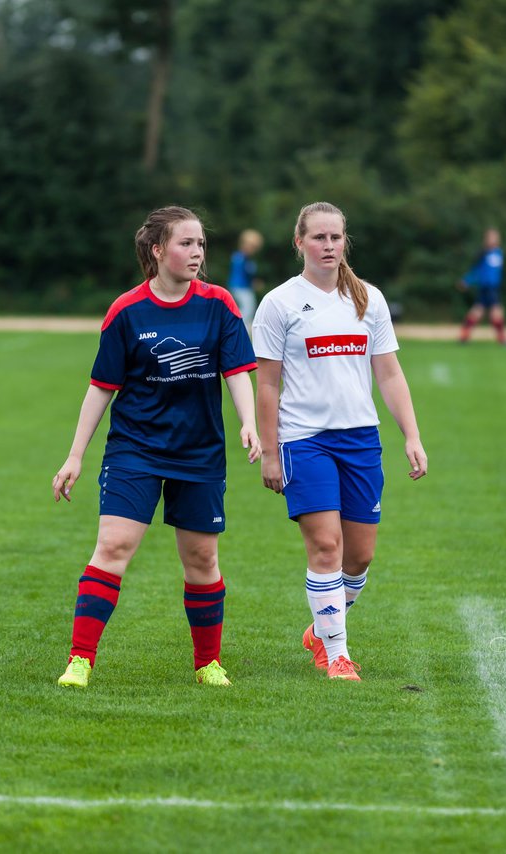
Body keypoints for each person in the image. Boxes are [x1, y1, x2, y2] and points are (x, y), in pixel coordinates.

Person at [52, 206, 261, 689]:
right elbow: (101, 386)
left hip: (200, 452)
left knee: (202, 561)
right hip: (136, 449)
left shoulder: (220, 304)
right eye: (186, 244)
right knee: (113, 546)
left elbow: (236, 372)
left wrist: (249, 423)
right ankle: (80, 660)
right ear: (157, 250)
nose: (197, 253)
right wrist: (75, 454)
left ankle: (207, 663)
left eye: (201, 245)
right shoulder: (126, 310)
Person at [251, 201, 428, 682]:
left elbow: (389, 374)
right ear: (299, 243)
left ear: (345, 241)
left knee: (360, 555)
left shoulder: (368, 299)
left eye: (335, 238)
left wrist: (410, 435)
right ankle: (337, 654)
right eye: (318, 238)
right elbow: (266, 384)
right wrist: (270, 453)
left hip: (360, 440)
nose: (328, 246)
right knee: (326, 547)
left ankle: (321, 629)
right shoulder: (280, 303)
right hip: (303, 440)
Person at [458, 228, 506, 344]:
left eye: (495, 237)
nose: (493, 239)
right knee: (496, 311)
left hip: (495, 287)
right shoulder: (483, 253)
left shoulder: (499, 253)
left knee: (477, 311)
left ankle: (464, 336)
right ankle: (502, 340)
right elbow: (477, 271)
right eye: (491, 237)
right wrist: (467, 280)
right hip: (487, 287)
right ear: (486, 239)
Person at [228, 229, 263, 332]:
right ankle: (236, 330)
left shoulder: (247, 259)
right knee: (247, 310)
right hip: (240, 287)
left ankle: (240, 331)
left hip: (244, 288)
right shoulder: (239, 258)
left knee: (248, 310)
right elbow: (243, 274)